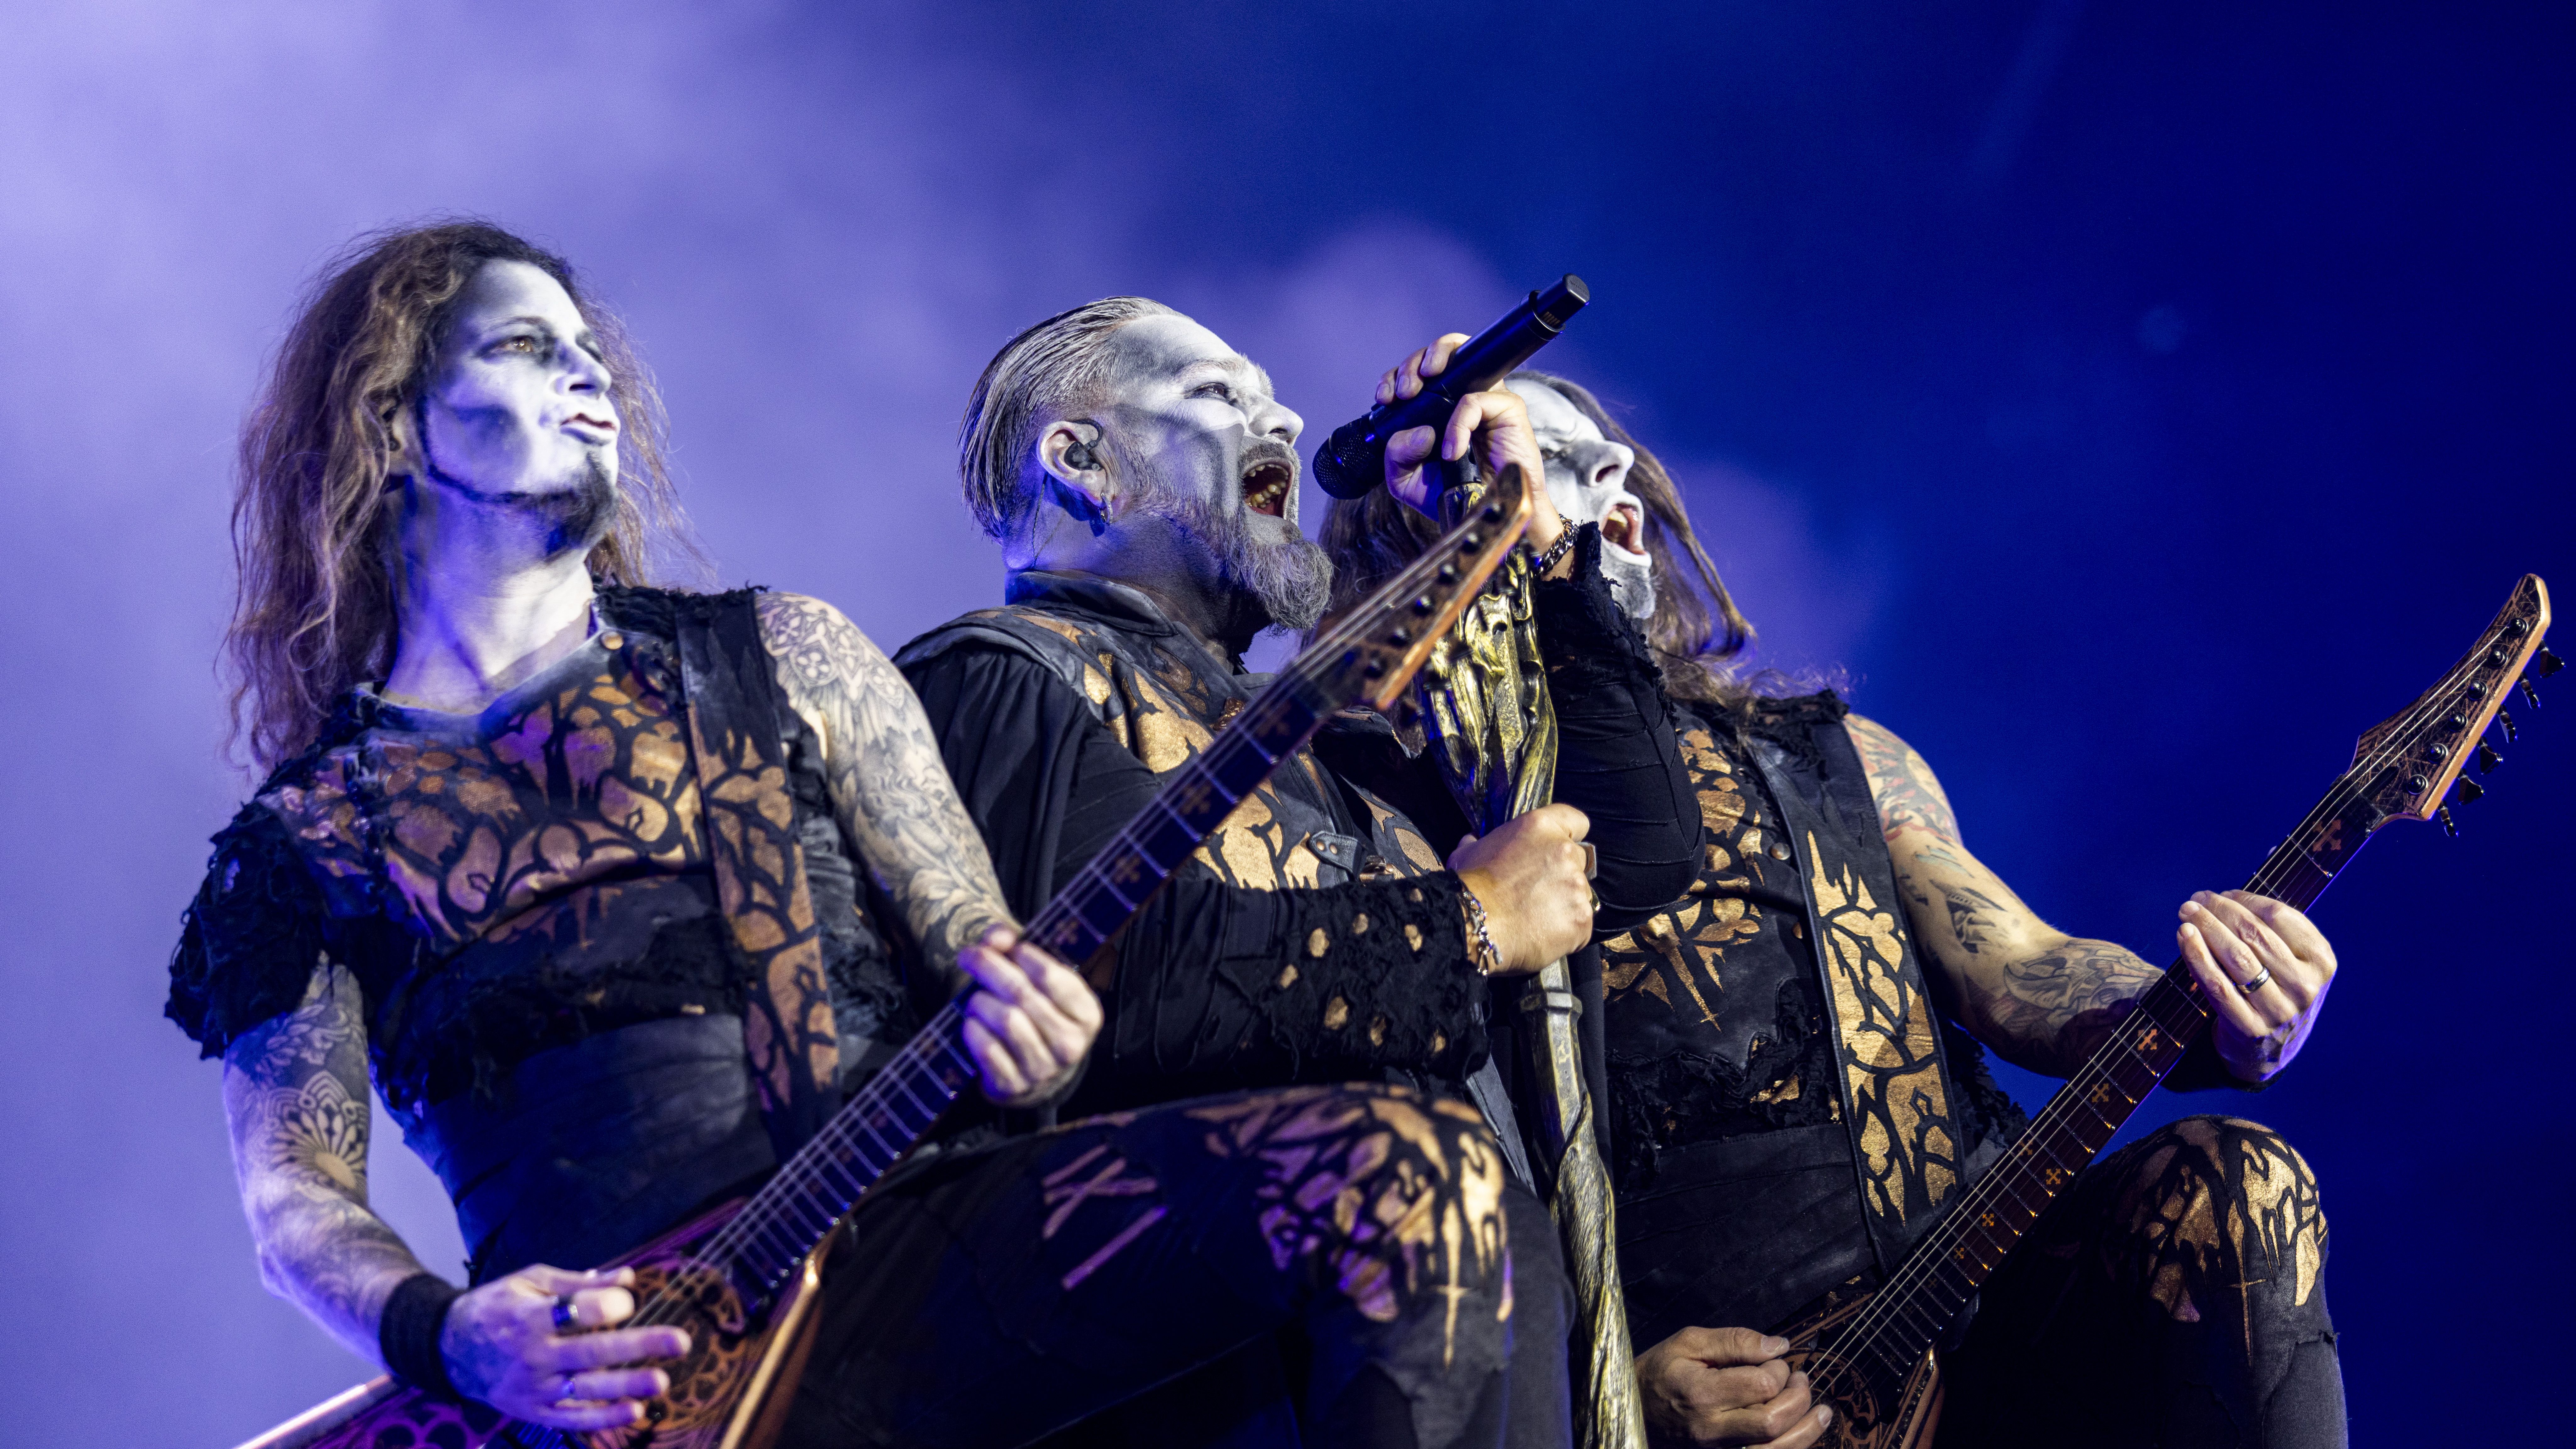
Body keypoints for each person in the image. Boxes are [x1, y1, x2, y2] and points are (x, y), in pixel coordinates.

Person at [167, 223, 1555, 1449]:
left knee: (1403, 1180)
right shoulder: (303, 844)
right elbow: (296, 1200)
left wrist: (1037, 1033)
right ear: (392, 419)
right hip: (611, 1383)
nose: (590, 374)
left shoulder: (785, 652)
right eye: (530, 348)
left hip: (908, 1263)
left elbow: (986, 954)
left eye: (590, 347)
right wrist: (446, 1335)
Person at [1320, 353, 2347, 1448]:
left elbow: (2016, 967)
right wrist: (1607, 1389)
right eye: (1532, 463)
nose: (1610, 495)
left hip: (1979, 1314)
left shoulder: (1833, 757)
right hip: (1732, 1399)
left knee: (2238, 1180)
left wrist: (2218, 1006)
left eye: (1602, 471)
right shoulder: (1380, 820)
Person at [889, 298, 1704, 1443]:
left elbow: (1629, 855)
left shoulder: (1336, 764)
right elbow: (1113, 984)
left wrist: (1534, 547)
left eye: (1267, 390)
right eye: (1219, 394)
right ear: (1083, 462)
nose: (1280, 412)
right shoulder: (1003, 676)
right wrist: (1464, 923)